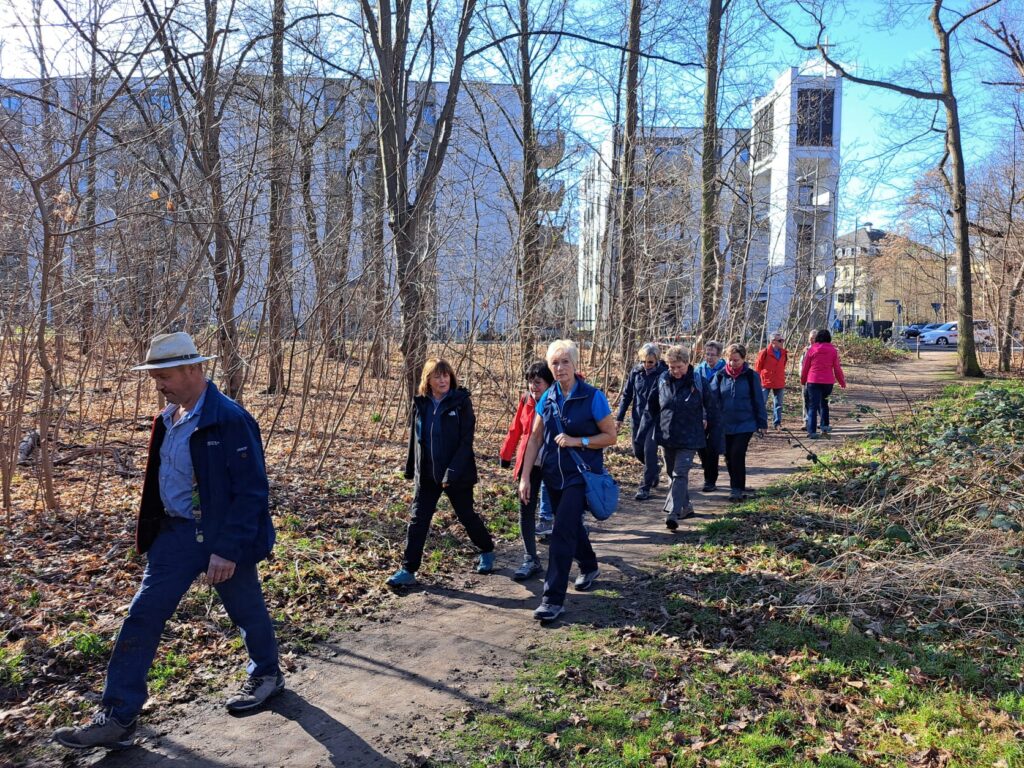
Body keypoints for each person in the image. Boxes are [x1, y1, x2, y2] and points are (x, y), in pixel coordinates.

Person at [54, 332, 283, 750]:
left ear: (194, 369)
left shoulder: (230, 419)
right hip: (175, 536)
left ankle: (267, 674)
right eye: (155, 377)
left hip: (221, 535)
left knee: (246, 610)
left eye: (165, 376)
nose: (159, 385)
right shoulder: (168, 419)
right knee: (142, 616)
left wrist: (227, 549)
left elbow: (252, 491)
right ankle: (118, 716)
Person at [517, 340, 617, 622]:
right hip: (553, 476)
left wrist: (578, 441)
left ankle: (552, 600)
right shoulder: (547, 398)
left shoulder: (592, 397)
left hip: (580, 475)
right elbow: (535, 438)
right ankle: (589, 565)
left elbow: (610, 436)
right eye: (555, 363)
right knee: (569, 525)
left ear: (574, 364)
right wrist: (525, 477)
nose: (560, 368)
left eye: (564, 362)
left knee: (561, 533)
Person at [386, 358, 495, 587]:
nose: (442, 380)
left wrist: (451, 472)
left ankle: (486, 549)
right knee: (418, 521)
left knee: (466, 515)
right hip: (427, 475)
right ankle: (408, 569)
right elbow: (415, 439)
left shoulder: (461, 402)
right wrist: (411, 469)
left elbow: (466, 442)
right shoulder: (421, 403)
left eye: (445, 375)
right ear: (428, 380)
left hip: (457, 474)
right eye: (437, 376)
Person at [644, 345, 719, 531]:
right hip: (667, 436)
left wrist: (715, 435)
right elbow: (652, 405)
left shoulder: (698, 382)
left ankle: (674, 512)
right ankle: (686, 507)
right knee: (671, 473)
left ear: (687, 363)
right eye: (672, 367)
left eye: (679, 367)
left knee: (680, 473)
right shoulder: (662, 380)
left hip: (690, 437)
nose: (676, 371)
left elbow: (712, 409)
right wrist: (645, 430)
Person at [500, 360, 555, 581]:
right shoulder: (526, 400)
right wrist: (506, 454)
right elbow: (516, 429)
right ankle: (531, 558)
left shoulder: (559, 400)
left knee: (564, 509)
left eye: (538, 382)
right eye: (531, 382)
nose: (533, 386)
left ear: (549, 383)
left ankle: (579, 555)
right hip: (529, 463)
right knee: (526, 508)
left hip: (554, 462)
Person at [711, 343, 767, 502]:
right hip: (725, 423)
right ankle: (738, 485)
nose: (732, 363)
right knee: (729, 456)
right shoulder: (720, 376)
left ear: (743, 359)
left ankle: (736, 488)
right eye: (730, 360)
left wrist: (762, 423)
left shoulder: (751, 376)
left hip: (746, 423)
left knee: (737, 453)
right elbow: (712, 399)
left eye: (736, 360)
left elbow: (758, 400)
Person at [615, 343, 667, 500]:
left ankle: (644, 487)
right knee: (638, 450)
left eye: (650, 362)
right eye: (643, 361)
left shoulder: (663, 374)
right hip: (637, 417)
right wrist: (619, 418)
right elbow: (627, 395)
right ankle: (653, 470)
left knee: (649, 451)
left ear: (657, 360)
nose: (646, 365)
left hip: (654, 418)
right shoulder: (636, 372)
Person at [800, 329, 847, 439]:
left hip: (813, 380)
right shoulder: (833, 351)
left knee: (813, 406)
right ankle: (824, 426)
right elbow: (837, 368)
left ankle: (812, 431)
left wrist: (803, 380)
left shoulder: (812, 349)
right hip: (827, 381)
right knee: (824, 404)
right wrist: (842, 381)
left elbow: (806, 367)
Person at [693, 340, 726, 492]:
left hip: (718, 415)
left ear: (719, 356)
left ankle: (710, 480)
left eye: (713, 355)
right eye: (707, 354)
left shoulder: (725, 370)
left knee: (713, 448)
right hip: (700, 413)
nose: (709, 357)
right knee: (701, 446)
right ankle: (708, 468)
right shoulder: (698, 370)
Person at [754, 332, 789, 430]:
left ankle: (777, 423)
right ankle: (760, 424)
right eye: (780, 340)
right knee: (761, 403)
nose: (782, 342)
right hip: (765, 381)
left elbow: (783, 365)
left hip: (779, 381)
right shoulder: (764, 352)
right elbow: (757, 368)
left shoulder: (784, 353)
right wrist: (757, 381)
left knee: (778, 404)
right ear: (773, 341)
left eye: (782, 340)